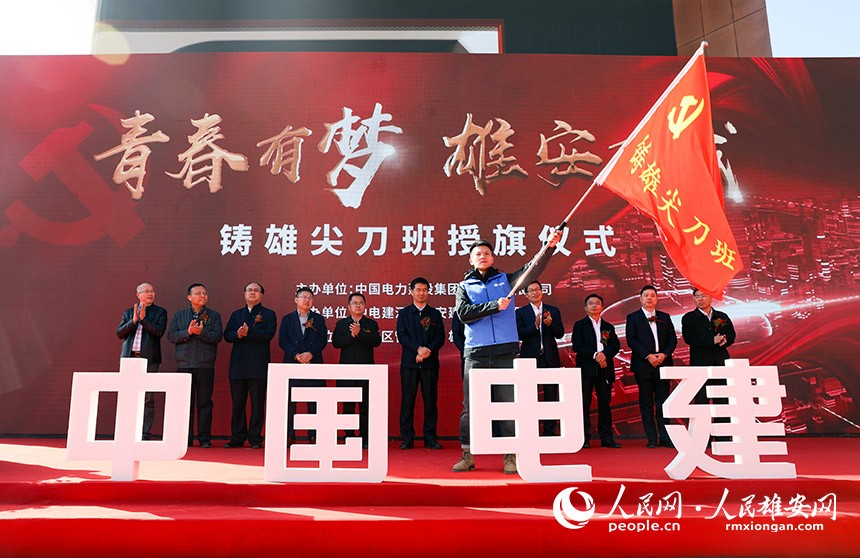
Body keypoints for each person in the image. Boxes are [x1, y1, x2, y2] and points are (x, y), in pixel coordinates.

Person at [453, 230, 562, 474]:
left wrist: (549, 247)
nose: (482, 256)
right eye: (478, 254)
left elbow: (532, 268)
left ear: (492, 258)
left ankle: (510, 456)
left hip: (505, 352)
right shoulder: (464, 286)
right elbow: (464, 314)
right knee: (471, 407)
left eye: (486, 253)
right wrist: (494, 306)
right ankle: (467, 454)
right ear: (471, 259)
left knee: (508, 405)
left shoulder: (506, 280)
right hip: (476, 353)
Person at [167, 283, 223, 448]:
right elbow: (171, 336)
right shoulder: (180, 315)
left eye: (205, 293)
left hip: (205, 364)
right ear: (189, 297)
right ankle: (186, 438)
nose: (203, 296)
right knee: (185, 403)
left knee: (205, 402)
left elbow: (218, 337)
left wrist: (202, 333)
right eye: (198, 293)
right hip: (184, 363)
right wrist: (188, 332)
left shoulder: (214, 315)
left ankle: (204, 438)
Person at [223, 282, 277, 449]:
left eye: (256, 290)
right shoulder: (236, 314)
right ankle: (237, 437)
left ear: (261, 294)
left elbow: (268, 334)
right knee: (238, 404)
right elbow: (227, 335)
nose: (252, 293)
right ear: (244, 294)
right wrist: (238, 335)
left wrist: (249, 332)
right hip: (238, 365)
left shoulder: (268, 314)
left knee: (257, 404)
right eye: (249, 290)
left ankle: (255, 438)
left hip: (258, 365)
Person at [396, 277, 446, 450]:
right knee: (407, 401)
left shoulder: (435, 314)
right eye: (418, 289)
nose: (421, 293)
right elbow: (402, 336)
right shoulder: (404, 313)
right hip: (409, 364)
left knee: (430, 401)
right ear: (411, 291)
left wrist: (426, 351)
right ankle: (407, 438)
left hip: (429, 364)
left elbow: (440, 337)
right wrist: (418, 349)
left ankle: (430, 438)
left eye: (425, 290)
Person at [625, 285, 676, 449]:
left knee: (663, 401)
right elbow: (631, 340)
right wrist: (648, 356)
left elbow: (672, 339)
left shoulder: (665, 317)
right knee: (646, 402)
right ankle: (652, 438)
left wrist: (664, 355)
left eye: (652, 295)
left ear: (657, 298)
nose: (649, 298)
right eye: (646, 295)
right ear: (640, 299)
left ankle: (665, 437)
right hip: (643, 365)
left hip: (663, 364)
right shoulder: (633, 317)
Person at [116, 282, 168, 441]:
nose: (150, 294)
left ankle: (144, 433)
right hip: (130, 359)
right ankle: (127, 432)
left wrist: (144, 320)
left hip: (149, 360)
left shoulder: (160, 312)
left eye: (152, 291)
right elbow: (119, 333)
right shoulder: (128, 312)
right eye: (146, 291)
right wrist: (133, 321)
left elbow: (158, 332)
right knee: (127, 396)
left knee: (148, 397)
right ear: (138, 295)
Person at [279, 286, 328, 445]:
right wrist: (295, 354)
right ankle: (289, 435)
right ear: (296, 299)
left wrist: (310, 353)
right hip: (292, 364)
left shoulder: (318, 319)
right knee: (290, 402)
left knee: (314, 401)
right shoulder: (287, 319)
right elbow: (283, 340)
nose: (307, 300)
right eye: (303, 297)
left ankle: (313, 435)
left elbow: (322, 339)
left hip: (313, 363)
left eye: (310, 298)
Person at [571, 293, 621, 449]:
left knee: (604, 403)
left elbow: (615, 345)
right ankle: (584, 438)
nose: (594, 305)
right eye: (591, 303)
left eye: (597, 303)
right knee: (584, 403)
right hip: (586, 369)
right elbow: (577, 345)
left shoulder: (608, 326)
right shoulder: (580, 325)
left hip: (604, 369)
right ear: (585, 307)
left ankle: (606, 437)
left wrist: (604, 355)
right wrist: (595, 355)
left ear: (602, 307)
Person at [332, 292, 381, 449]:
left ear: (365, 306)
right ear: (349, 306)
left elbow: (376, 341)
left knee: (366, 405)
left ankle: (365, 437)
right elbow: (336, 343)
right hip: (346, 371)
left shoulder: (371, 324)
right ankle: (349, 436)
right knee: (348, 406)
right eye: (355, 303)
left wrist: (360, 334)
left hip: (367, 371)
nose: (358, 305)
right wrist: (352, 335)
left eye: (361, 303)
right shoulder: (342, 324)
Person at [515, 280, 565, 436]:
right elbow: (519, 334)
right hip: (530, 358)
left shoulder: (553, 310)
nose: (535, 293)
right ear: (526, 294)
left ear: (542, 291)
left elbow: (560, 333)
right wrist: (535, 326)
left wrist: (550, 324)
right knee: (529, 395)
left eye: (537, 289)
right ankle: (530, 431)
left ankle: (549, 430)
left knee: (551, 395)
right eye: (531, 290)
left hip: (550, 358)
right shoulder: (521, 312)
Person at [682, 287, 736, 406]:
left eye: (703, 296)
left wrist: (725, 340)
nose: (700, 299)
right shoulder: (689, 318)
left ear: (711, 297)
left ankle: (722, 419)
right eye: (697, 296)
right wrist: (712, 340)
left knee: (722, 398)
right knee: (702, 399)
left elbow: (731, 334)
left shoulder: (721, 316)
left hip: (720, 361)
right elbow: (689, 338)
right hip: (700, 362)